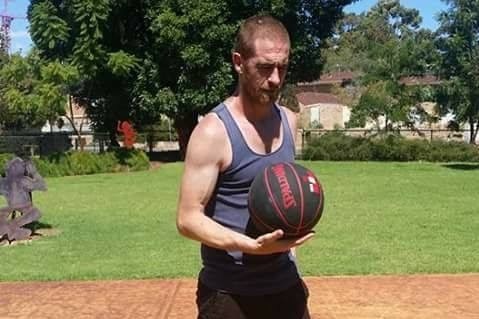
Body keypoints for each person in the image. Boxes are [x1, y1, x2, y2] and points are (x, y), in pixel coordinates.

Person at [176, 14, 313, 319]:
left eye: (283, 67)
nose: (276, 79)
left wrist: (292, 260)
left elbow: (283, 202)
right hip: (229, 294)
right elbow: (187, 219)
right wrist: (250, 246)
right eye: (264, 67)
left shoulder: (289, 122)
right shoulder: (214, 131)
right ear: (239, 62)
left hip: (284, 287)